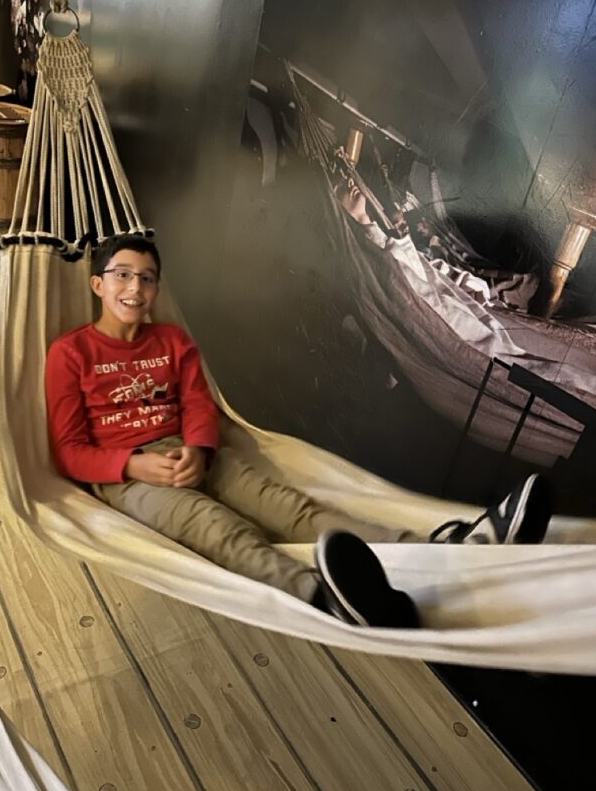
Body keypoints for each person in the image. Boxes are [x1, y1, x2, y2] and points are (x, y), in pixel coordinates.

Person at [45, 233, 552, 629]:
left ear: (157, 288)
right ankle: (325, 599)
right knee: (219, 530)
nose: (135, 288)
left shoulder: (173, 340)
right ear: (98, 285)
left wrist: (199, 449)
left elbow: (200, 405)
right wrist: (133, 465)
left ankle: (444, 548)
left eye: (147, 278)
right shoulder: (71, 354)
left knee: (294, 509)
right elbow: (69, 452)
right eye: (123, 276)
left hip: (194, 452)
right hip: (130, 477)